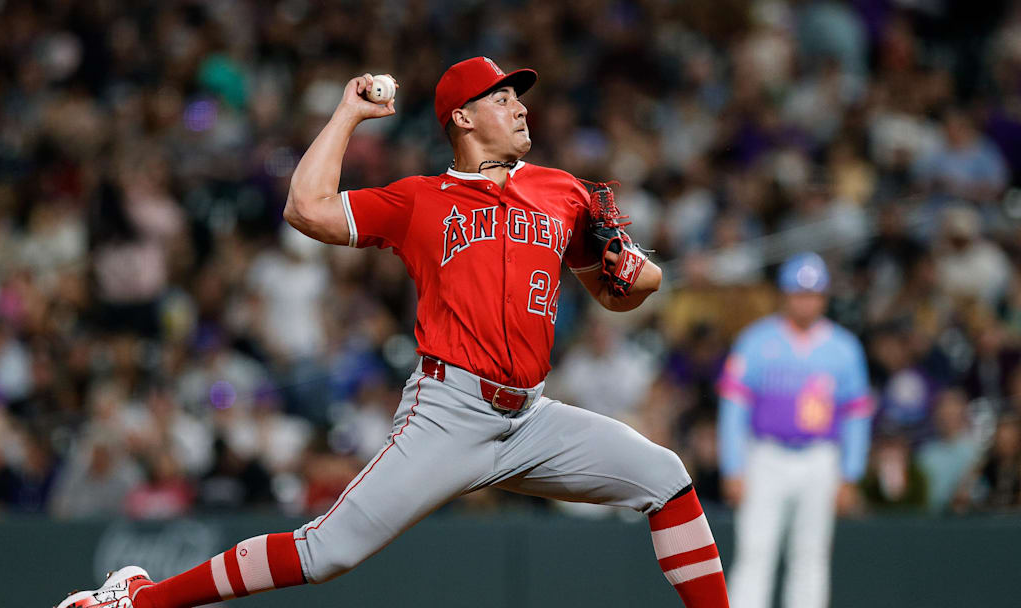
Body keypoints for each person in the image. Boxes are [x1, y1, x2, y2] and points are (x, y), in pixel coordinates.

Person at [55, 57, 729, 608]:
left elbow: (627, 290)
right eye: (503, 98)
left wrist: (637, 270)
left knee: (665, 477)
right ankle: (135, 600)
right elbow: (305, 208)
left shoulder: (563, 191)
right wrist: (349, 112)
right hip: (451, 409)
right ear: (463, 118)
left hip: (531, 416)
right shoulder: (420, 200)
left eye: (519, 97)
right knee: (327, 552)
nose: (521, 107)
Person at [716, 252, 873, 608]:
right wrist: (733, 467)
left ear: (825, 297)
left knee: (811, 555)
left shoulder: (844, 348)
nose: (806, 301)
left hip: (820, 457)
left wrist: (850, 474)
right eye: (798, 293)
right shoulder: (755, 340)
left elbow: (857, 416)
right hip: (766, 454)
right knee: (755, 550)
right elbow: (733, 409)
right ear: (784, 295)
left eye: (813, 294)